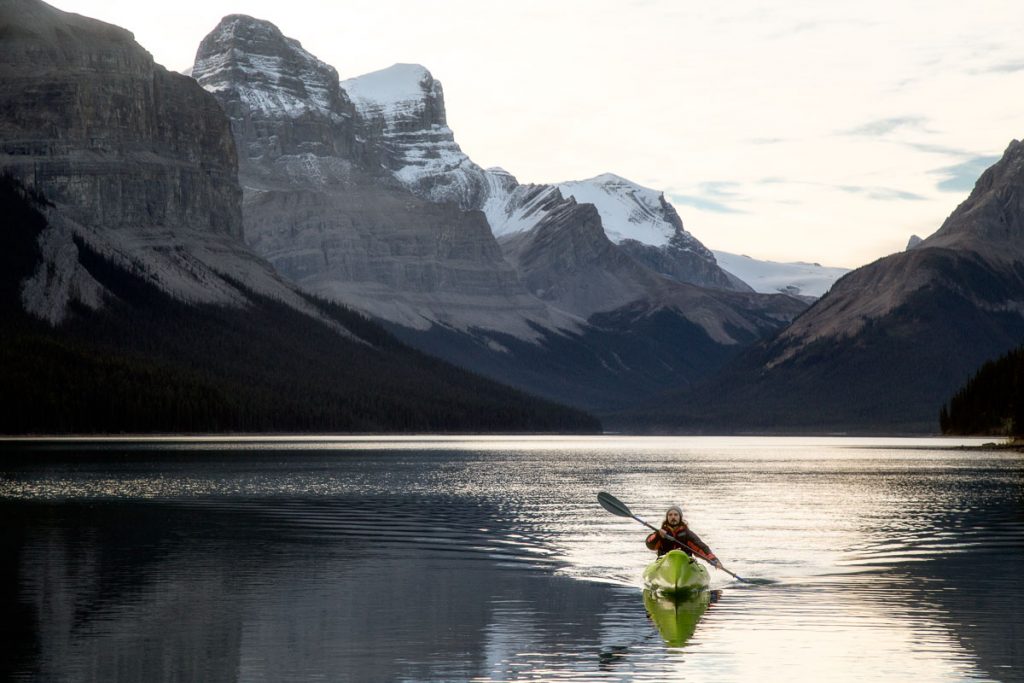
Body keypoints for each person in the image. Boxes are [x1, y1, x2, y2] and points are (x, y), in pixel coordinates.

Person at [645, 505, 722, 568]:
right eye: (670, 515)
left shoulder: (687, 534)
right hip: (664, 563)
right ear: (667, 518)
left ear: (680, 517)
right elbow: (649, 544)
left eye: (676, 515)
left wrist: (713, 559)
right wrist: (658, 535)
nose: (673, 517)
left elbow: (701, 547)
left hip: (685, 564)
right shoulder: (661, 533)